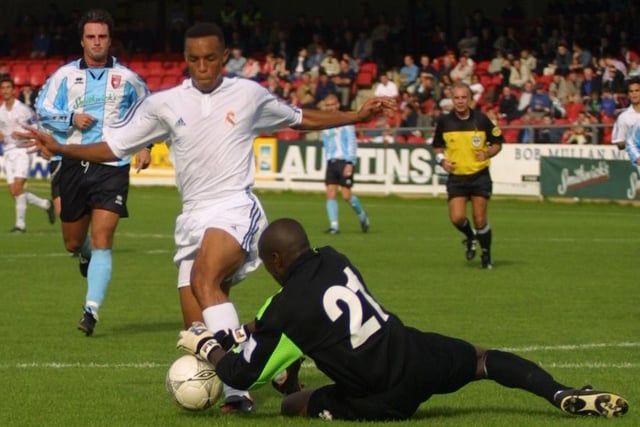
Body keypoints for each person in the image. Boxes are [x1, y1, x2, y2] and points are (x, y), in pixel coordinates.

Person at [22, 21, 396, 413]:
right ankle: (280, 361)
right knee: (199, 328)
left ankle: (239, 391)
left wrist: (355, 116)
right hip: (192, 218)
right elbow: (112, 146)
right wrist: (62, 147)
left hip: (234, 206)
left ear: (223, 58)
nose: (203, 66)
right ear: (186, 60)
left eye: (211, 59)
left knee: (204, 278)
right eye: (195, 59)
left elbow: (299, 117)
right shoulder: (164, 104)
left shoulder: (248, 94)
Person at [176, 217, 630, 421]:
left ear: (275, 260)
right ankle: (561, 393)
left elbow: (238, 372)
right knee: (482, 360)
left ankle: (300, 394)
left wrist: (206, 344)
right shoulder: (334, 257)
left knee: (294, 406)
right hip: (413, 354)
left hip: (379, 398)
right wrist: (255, 333)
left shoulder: (285, 307)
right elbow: (311, 322)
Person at [34, 9, 151, 336]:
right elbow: (42, 111)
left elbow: (151, 114)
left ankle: (91, 311)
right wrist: (71, 119)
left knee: (103, 239)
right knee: (73, 242)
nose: (97, 42)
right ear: (82, 40)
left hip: (112, 165)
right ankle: (82, 254)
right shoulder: (64, 76)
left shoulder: (129, 79)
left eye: (102, 37)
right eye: (91, 37)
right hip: (71, 162)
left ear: (110, 40)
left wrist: (146, 146)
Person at [432, 82, 503, 269]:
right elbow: (437, 146)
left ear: (470, 99)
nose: (460, 101)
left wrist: (487, 153)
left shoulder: (481, 119)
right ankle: (470, 237)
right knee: (456, 218)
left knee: (480, 219)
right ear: (452, 99)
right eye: (457, 98)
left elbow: (497, 142)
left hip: (479, 176)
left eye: (464, 97)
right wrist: (441, 160)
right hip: (456, 177)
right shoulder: (445, 122)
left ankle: (486, 255)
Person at [0, 76, 55, 233]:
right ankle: (46, 204)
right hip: (8, 151)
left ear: (13, 90)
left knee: (18, 187)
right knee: (14, 192)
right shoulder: (1, 111)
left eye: (8, 87)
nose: (5, 91)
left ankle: (20, 226)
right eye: (2, 88)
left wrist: (28, 137)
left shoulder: (23, 109)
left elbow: (36, 127)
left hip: (23, 151)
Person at [320, 93, 369, 235]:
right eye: (327, 105)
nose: (330, 108)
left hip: (344, 161)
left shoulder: (346, 121)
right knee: (330, 193)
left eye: (332, 105)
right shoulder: (324, 123)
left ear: (337, 105)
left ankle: (362, 215)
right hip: (331, 162)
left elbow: (352, 143)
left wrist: (350, 163)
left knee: (346, 196)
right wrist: (327, 159)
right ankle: (334, 226)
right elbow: (326, 143)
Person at [613, 77, 640, 150]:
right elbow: (619, 144)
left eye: (637, 90)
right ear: (628, 94)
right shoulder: (623, 117)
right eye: (631, 91)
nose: (634, 93)